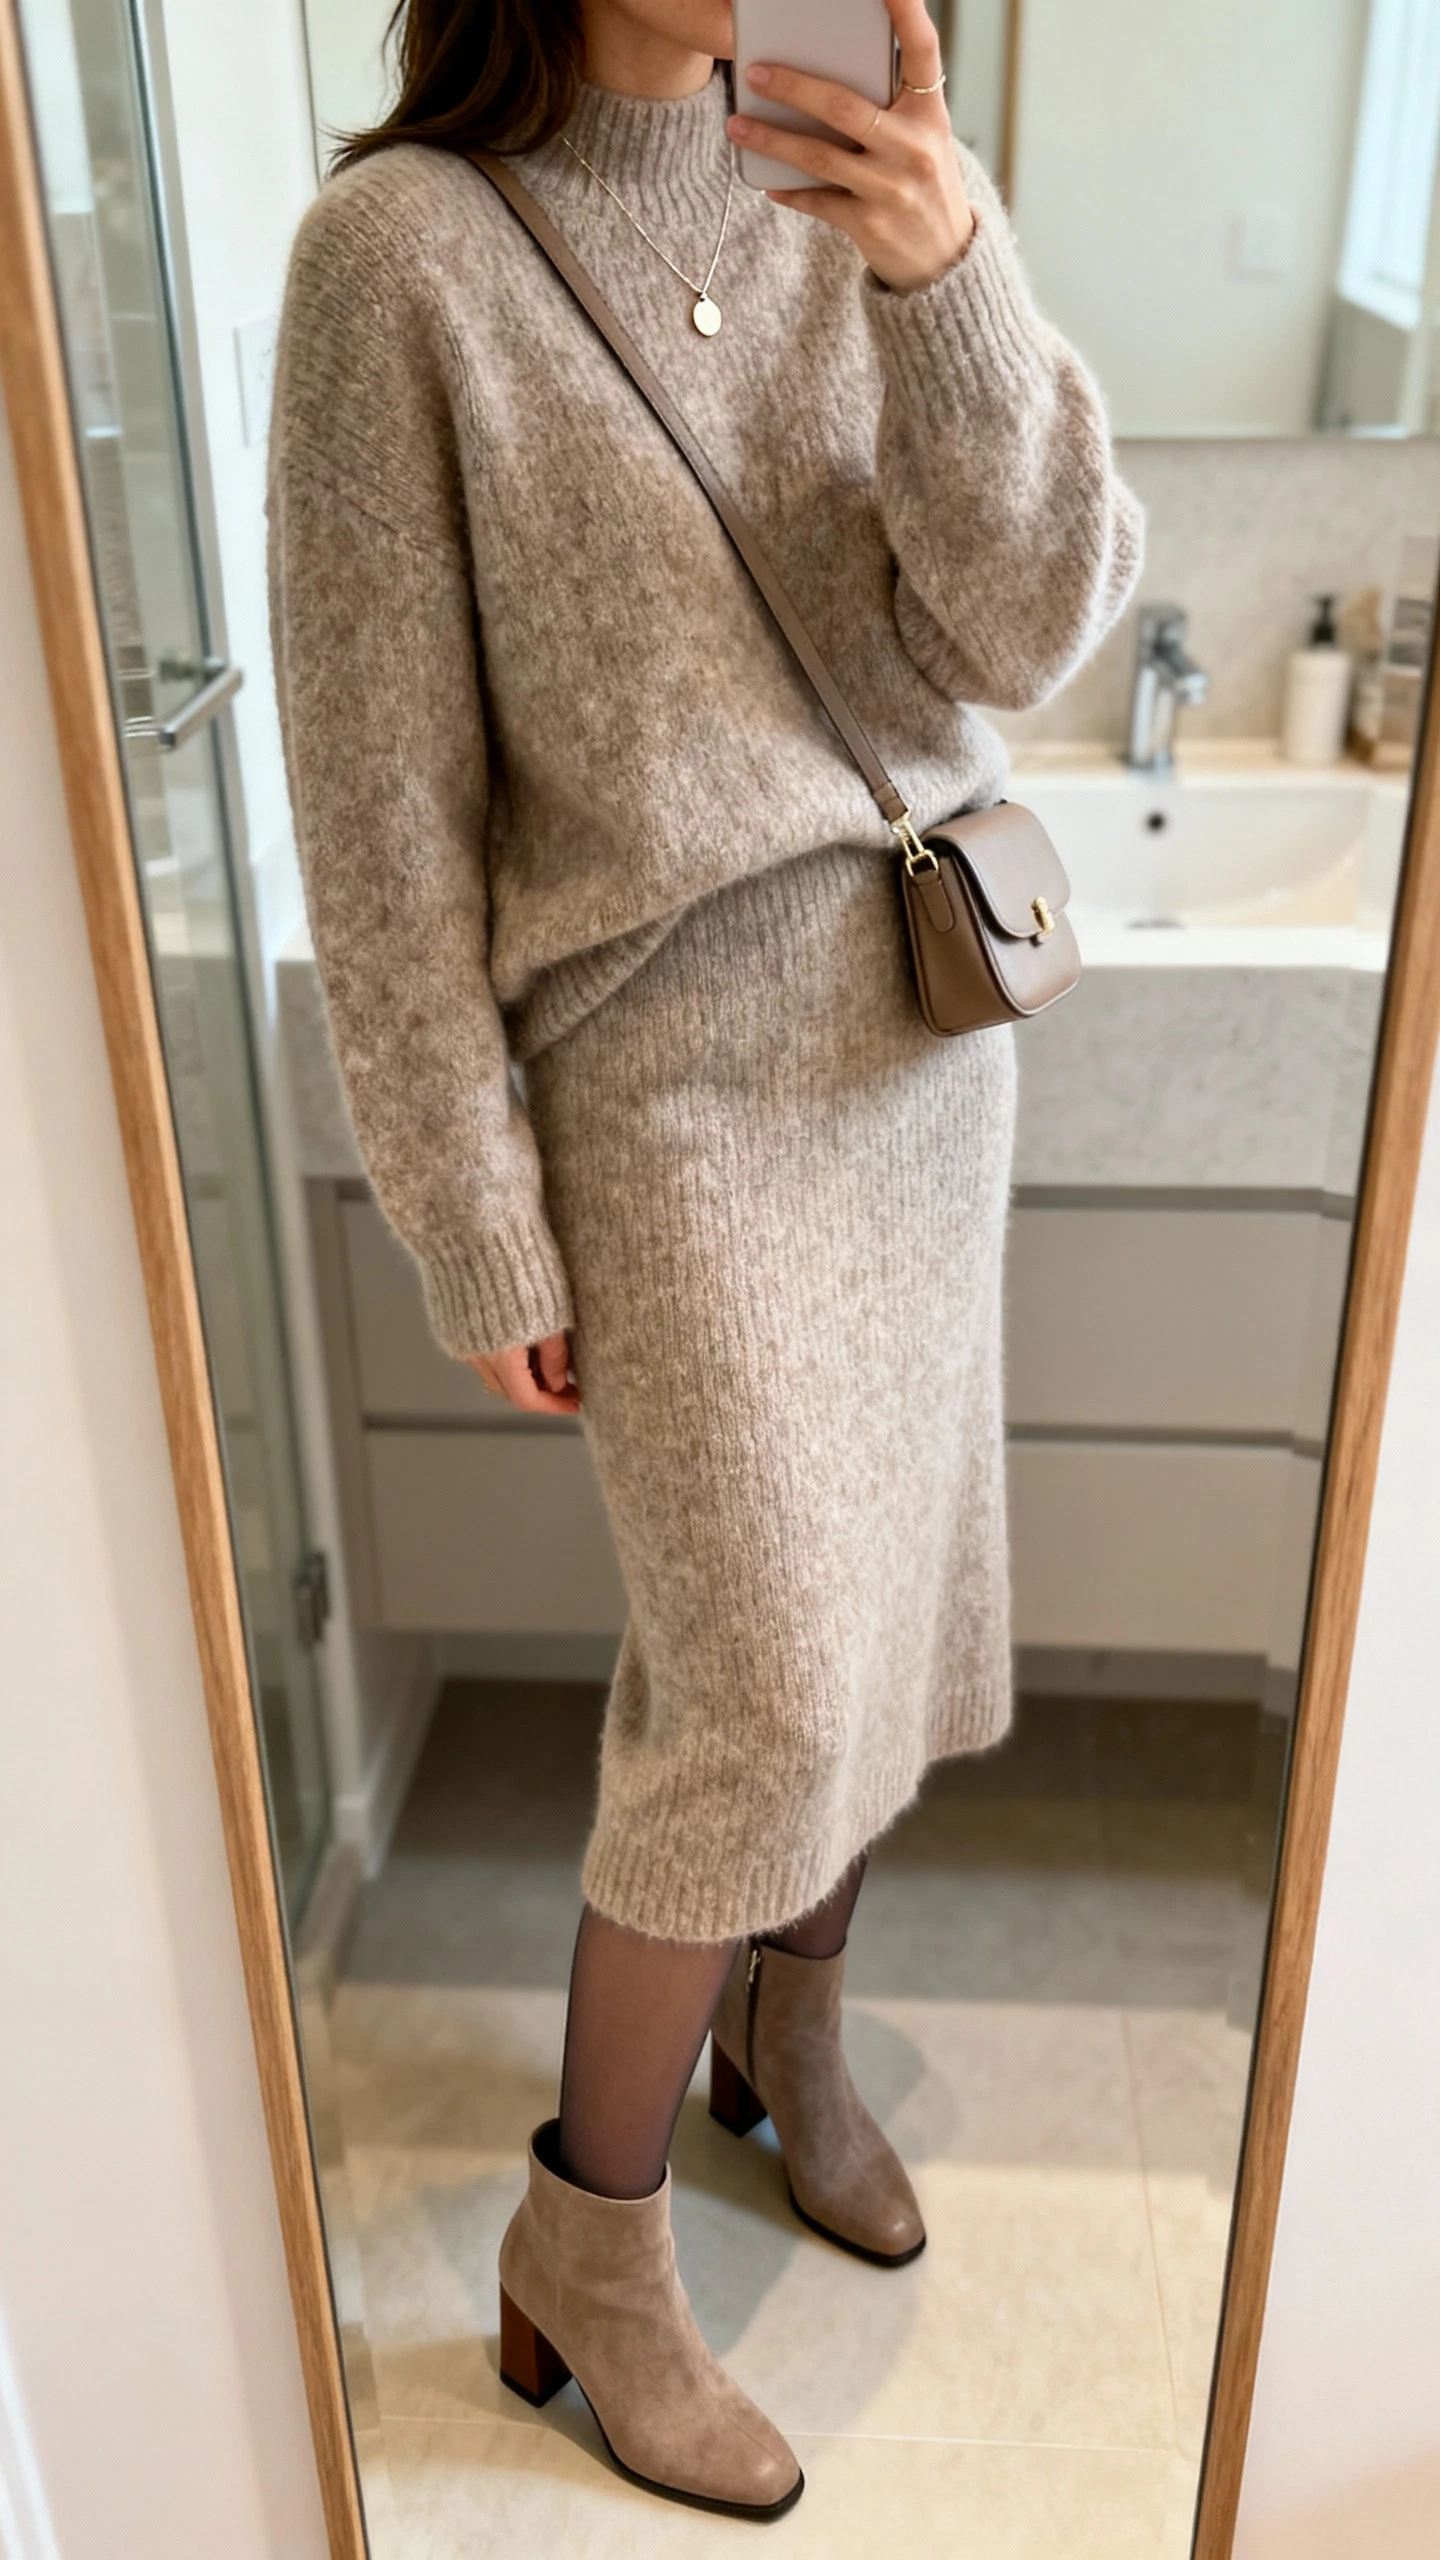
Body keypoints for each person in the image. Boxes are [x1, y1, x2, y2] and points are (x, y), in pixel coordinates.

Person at [268, 0, 1142, 2520]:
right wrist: (472, 1197)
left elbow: (1036, 615)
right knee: (756, 1681)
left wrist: (954, 277)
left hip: (919, 1041)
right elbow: (378, 794)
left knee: (878, 1627)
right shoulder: (394, 261)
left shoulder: (875, 180)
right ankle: (593, 2241)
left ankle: (798, 2039)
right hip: (661, 1089)